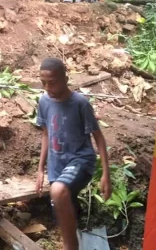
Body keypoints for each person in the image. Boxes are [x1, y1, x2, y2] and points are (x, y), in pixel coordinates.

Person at [35, 58, 111, 250]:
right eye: (43, 82)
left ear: (65, 79)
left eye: (52, 82)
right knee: (61, 209)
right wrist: (40, 170)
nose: (47, 87)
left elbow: (99, 138)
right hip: (56, 165)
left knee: (58, 191)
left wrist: (105, 175)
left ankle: (71, 248)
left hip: (80, 160)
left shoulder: (80, 103)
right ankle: (75, 234)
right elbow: (45, 134)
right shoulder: (43, 101)